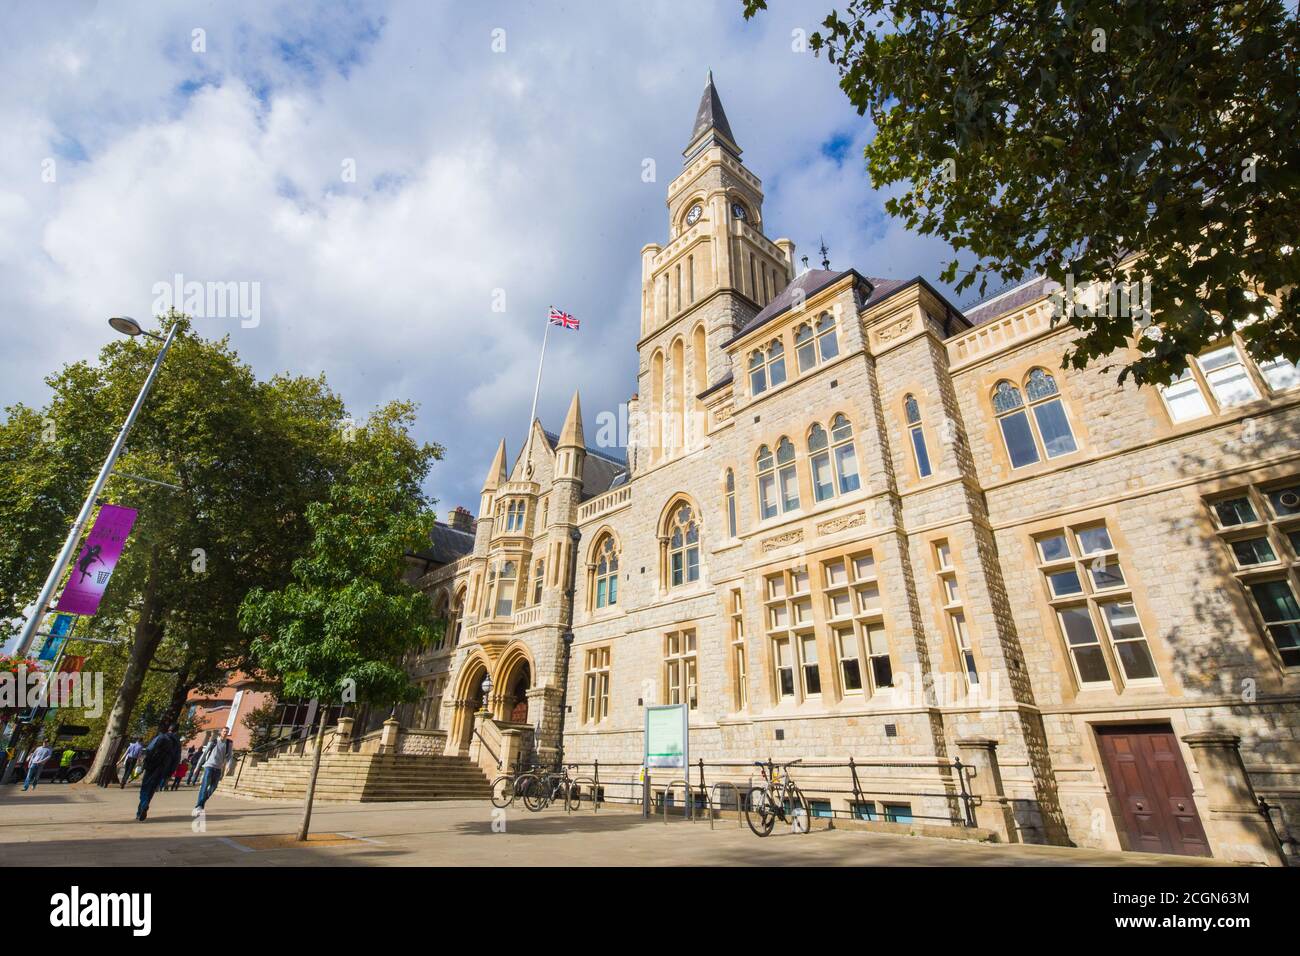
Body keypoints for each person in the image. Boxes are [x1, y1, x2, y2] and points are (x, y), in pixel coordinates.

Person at [135, 724, 180, 822]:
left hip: (152, 765)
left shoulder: (161, 737)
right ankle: (143, 808)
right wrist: (170, 773)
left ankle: (143, 806)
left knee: (145, 787)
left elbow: (149, 749)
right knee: (152, 789)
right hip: (164, 768)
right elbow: (176, 759)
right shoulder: (177, 743)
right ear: (177, 731)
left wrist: (145, 763)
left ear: (169, 729)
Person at [195, 727, 232, 811]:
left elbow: (230, 756)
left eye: (227, 732)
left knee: (214, 787)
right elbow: (204, 754)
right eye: (224, 731)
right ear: (221, 732)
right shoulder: (214, 741)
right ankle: (199, 805)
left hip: (218, 767)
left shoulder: (229, 743)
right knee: (205, 785)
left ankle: (202, 801)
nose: (225, 733)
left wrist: (228, 765)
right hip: (209, 766)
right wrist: (197, 766)